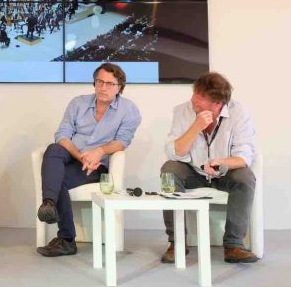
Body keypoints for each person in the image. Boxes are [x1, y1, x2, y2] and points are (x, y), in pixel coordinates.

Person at [36, 62, 141, 257]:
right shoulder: (78, 103)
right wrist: (80, 156)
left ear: (120, 87)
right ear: (94, 83)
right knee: (53, 149)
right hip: (72, 155)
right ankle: (49, 205)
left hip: (97, 166)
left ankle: (66, 239)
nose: (103, 87)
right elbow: (62, 135)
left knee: (58, 178)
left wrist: (99, 151)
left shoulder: (129, 109)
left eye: (110, 84)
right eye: (100, 81)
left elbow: (122, 142)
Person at [160, 71, 258, 263]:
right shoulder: (182, 111)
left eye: (201, 97)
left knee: (245, 177)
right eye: (195, 93)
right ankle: (177, 243)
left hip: (224, 172)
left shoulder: (239, 113)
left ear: (218, 103)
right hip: (193, 171)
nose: (193, 99)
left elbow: (244, 155)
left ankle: (234, 245)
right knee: (169, 170)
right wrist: (196, 126)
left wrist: (220, 163)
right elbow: (174, 152)